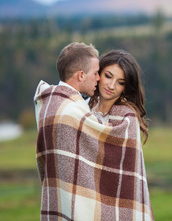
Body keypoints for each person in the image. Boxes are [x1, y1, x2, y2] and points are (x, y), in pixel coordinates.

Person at [34, 42, 154, 221]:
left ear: (125, 88)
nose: (112, 85)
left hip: (114, 207)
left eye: (120, 82)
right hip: (81, 203)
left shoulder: (126, 118)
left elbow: (126, 175)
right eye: (107, 76)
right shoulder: (82, 107)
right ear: (98, 75)